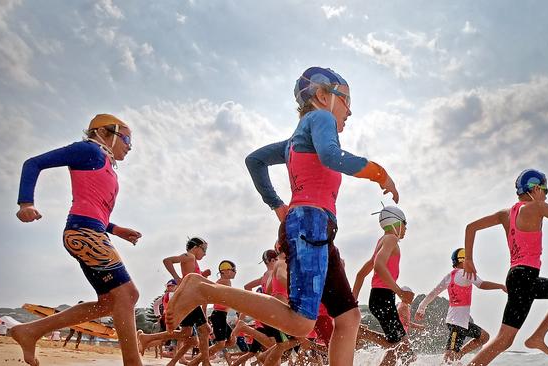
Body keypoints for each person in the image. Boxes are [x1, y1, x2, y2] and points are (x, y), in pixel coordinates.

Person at [166, 67, 400, 366]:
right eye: (347, 100)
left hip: (315, 226)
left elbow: (255, 160)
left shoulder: (294, 140)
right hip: (310, 223)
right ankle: (204, 289)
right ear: (322, 96)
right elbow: (330, 155)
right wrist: (378, 172)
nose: (350, 112)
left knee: (349, 316)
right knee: (302, 322)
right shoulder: (321, 117)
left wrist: (277, 205)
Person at [11, 114, 142, 366]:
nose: (128, 146)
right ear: (104, 133)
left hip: (92, 231)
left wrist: (117, 230)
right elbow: (32, 163)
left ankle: (30, 331)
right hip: (84, 233)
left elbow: (95, 209)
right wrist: (26, 203)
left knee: (109, 303)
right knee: (128, 295)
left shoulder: (104, 162)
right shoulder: (88, 150)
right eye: (126, 138)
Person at [463, 169, 548, 365]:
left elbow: (471, 227)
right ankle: (534, 339)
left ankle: (537, 338)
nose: (546, 195)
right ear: (536, 188)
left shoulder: (505, 214)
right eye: (546, 190)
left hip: (517, 277)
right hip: (525, 278)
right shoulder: (538, 207)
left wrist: (468, 259)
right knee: (504, 339)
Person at [416, 248, 505, 363]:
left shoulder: (449, 276)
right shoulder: (466, 273)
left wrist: (421, 308)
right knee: (449, 357)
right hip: (456, 323)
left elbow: (434, 292)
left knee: (484, 337)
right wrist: (501, 286)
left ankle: (460, 354)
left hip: (460, 322)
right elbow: (481, 284)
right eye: (469, 258)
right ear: (463, 259)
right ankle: (454, 357)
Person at [351, 206, 415, 366]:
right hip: (383, 297)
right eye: (404, 223)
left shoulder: (381, 242)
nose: (406, 228)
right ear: (396, 222)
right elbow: (379, 266)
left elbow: (360, 274)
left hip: (379, 298)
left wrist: (352, 304)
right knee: (402, 346)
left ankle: (365, 333)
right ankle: (365, 333)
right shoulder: (391, 239)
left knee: (396, 345)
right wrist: (399, 292)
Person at [138, 237, 212, 366]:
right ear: (196, 247)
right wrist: (176, 277)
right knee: (205, 329)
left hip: (189, 299)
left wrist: (203, 275)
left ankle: (148, 339)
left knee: (186, 334)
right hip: (188, 299)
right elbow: (167, 261)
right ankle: (205, 362)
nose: (205, 253)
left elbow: (193, 280)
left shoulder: (193, 260)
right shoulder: (189, 256)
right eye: (204, 250)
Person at [188, 260, 238, 366]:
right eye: (233, 270)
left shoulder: (224, 282)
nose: (235, 272)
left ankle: (206, 355)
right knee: (221, 344)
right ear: (225, 271)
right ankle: (197, 361)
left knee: (231, 341)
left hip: (221, 315)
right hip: (218, 315)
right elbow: (206, 299)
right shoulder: (223, 282)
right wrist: (204, 316)